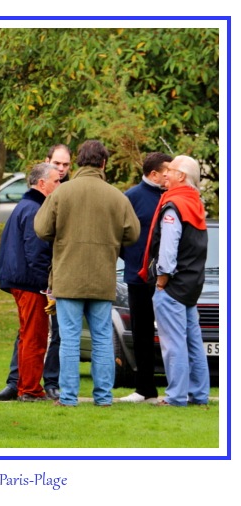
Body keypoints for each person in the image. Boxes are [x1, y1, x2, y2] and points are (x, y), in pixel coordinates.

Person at [34, 140, 140, 407]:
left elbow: (42, 229)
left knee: (69, 339)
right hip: (103, 277)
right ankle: (103, 397)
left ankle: (68, 398)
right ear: (103, 163)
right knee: (103, 338)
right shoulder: (117, 196)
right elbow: (133, 234)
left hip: (68, 277)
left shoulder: (62, 192)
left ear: (79, 162)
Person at [138, 155, 209, 407]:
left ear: (181, 176)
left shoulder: (174, 205)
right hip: (190, 285)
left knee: (173, 344)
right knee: (193, 343)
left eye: (170, 170)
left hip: (172, 286)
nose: (165, 173)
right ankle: (199, 395)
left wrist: (161, 281)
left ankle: (176, 397)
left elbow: (168, 249)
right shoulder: (195, 203)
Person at [0, 163, 61, 402]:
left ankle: (24, 386)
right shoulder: (34, 209)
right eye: (56, 181)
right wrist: (46, 286)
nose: (59, 185)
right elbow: (36, 252)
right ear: (42, 183)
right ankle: (30, 390)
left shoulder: (26, 206)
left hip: (21, 280)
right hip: (30, 282)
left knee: (27, 335)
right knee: (35, 336)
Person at [118, 152, 172, 403]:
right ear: (154, 174)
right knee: (141, 332)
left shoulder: (171, 196)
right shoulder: (130, 198)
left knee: (172, 331)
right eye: (166, 171)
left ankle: (179, 388)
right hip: (138, 277)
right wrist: (135, 261)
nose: (170, 175)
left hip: (169, 278)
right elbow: (120, 237)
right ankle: (144, 388)